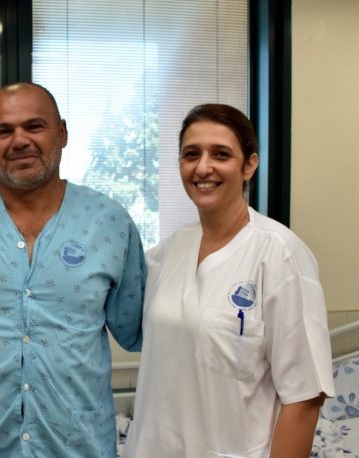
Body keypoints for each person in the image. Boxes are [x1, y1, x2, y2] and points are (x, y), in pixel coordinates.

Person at [0, 82, 146, 457]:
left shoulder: (109, 222)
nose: (19, 141)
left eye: (34, 126)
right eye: (4, 131)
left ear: (62, 133)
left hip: (78, 447)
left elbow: (143, 330)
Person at [123, 104, 335, 457]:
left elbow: (304, 398)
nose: (203, 167)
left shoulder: (279, 254)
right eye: (191, 154)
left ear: (249, 165)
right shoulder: (166, 253)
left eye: (221, 154)